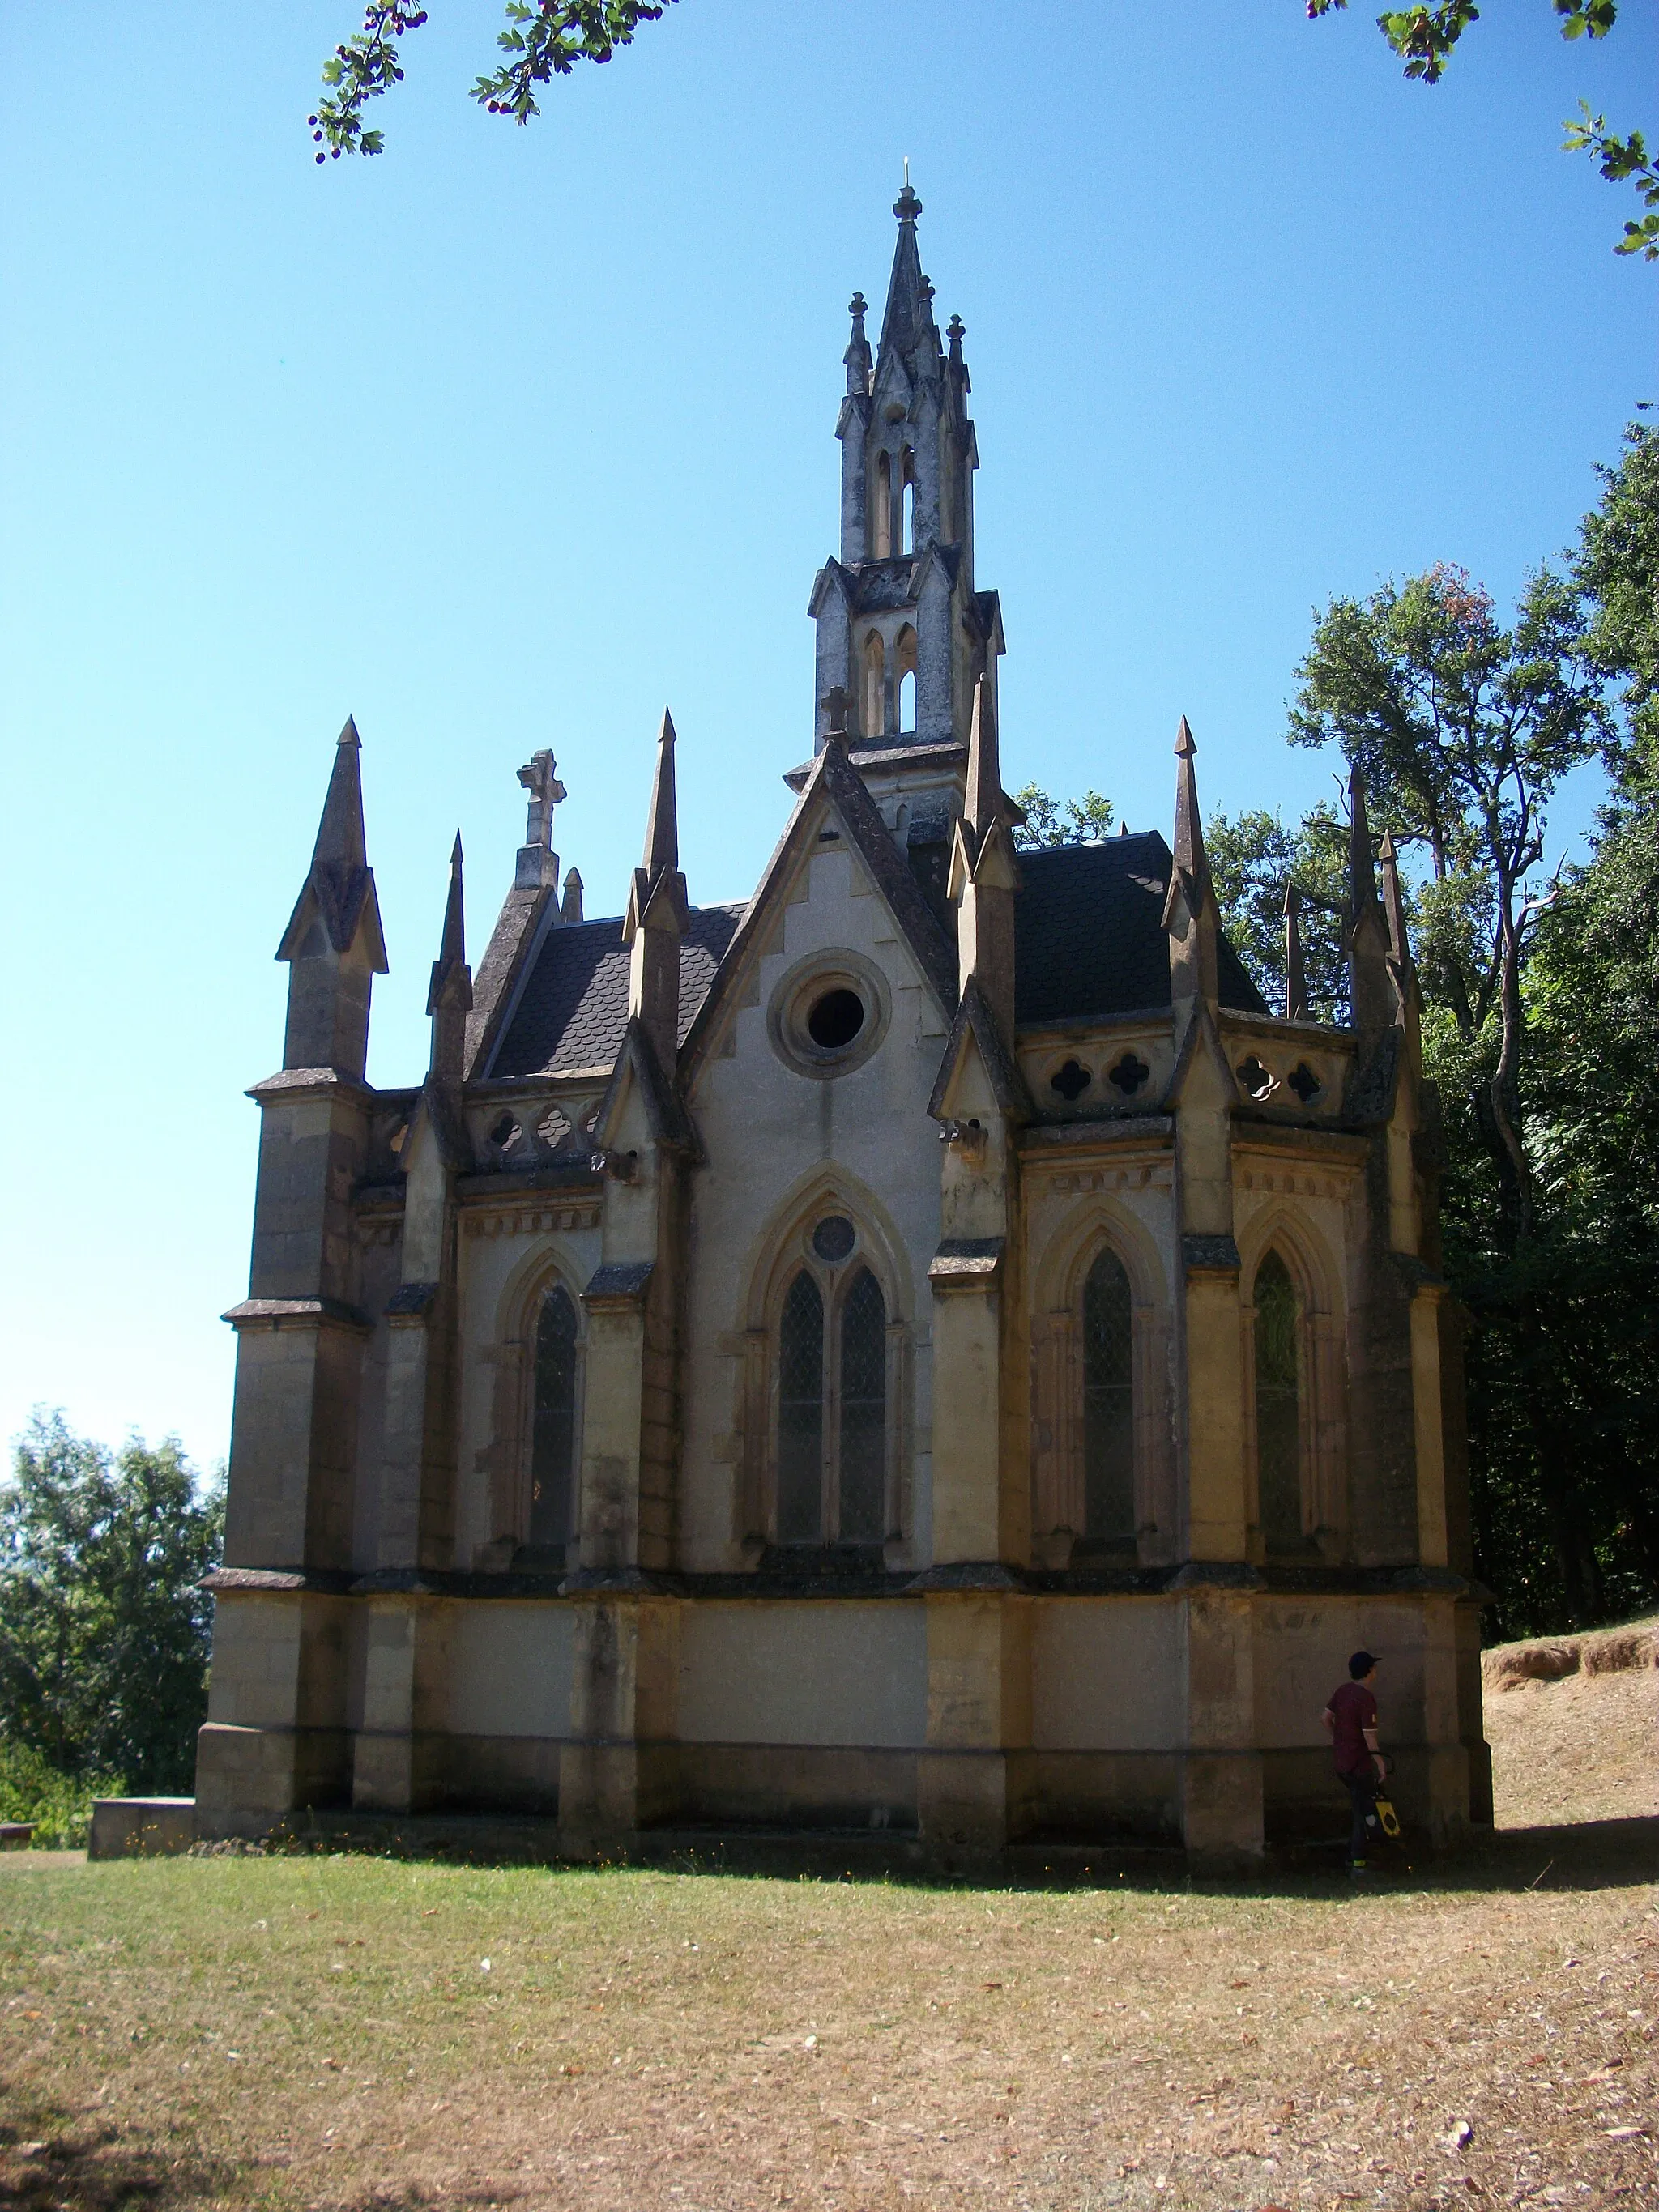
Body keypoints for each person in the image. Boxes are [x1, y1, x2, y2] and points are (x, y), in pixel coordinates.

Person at [1323, 1651, 1385, 1874]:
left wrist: (1340, 1738)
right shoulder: (1366, 1698)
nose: (1376, 1671)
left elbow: (1325, 1718)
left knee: (1361, 1807)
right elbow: (1369, 1735)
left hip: (1341, 1762)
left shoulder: (1342, 1691)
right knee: (1363, 1811)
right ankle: (1358, 1861)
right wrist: (1380, 1762)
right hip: (1358, 1764)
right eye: (1374, 1668)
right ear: (1369, 1671)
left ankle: (1358, 1855)